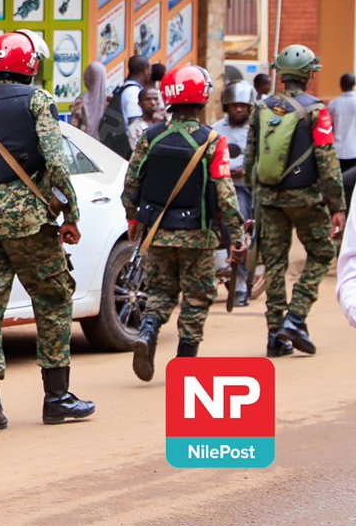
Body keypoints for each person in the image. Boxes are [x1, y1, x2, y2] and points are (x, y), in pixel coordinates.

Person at [0, 30, 93, 435]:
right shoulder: (38, 101)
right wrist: (71, 213)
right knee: (53, 300)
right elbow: (56, 161)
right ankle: (57, 399)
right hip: (31, 223)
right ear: (29, 65)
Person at [126, 66, 246, 380]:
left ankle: (148, 331)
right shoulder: (213, 141)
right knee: (197, 297)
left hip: (158, 233)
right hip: (198, 236)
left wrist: (133, 219)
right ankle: (184, 364)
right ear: (203, 99)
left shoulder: (150, 137)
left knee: (160, 292)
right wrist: (237, 235)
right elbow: (225, 191)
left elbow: (131, 184)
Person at [246, 45, 346, 356]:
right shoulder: (316, 110)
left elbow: (251, 160)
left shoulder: (260, 110)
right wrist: (337, 206)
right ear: (307, 75)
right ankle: (297, 318)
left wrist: (257, 202)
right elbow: (327, 161)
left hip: (269, 199)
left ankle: (275, 336)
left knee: (274, 264)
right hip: (306, 199)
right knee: (321, 253)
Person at [212, 80, 257, 306]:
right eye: (234, 105)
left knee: (236, 220)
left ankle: (239, 280)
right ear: (226, 106)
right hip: (215, 186)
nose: (238, 109)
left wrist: (245, 171)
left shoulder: (256, 129)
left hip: (241, 188)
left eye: (243, 105)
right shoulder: (216, 129)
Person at [99, 55, 151, 158]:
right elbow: (135, 126)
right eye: (150, 69)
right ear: (145, 70)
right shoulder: (133, 92)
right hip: (126, 151)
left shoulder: (126, 88)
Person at [69, 61, 107, 137]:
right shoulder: (110, 102)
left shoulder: (79, 102)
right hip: (104, 147)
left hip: (84, 145)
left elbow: (73, 128)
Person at [328, 73, 356, 173]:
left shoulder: (333, 104)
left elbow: (329, 127)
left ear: (340, 85)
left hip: (338, 152)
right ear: (354, 84)